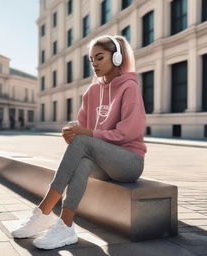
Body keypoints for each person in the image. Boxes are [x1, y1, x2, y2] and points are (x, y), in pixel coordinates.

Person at [11, 35, 147, 250]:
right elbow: (84, 129)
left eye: (100, 58)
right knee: (83, 162)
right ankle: (65, 225)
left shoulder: (129, 87)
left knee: (84, 143)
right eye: (91, 59)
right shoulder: (92, 91)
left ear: (118, 58)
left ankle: (43, 211)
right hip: (100, 161)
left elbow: (129, 132)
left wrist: (86, 135)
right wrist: (71, 133)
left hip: (128, 161)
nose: (94, 64)